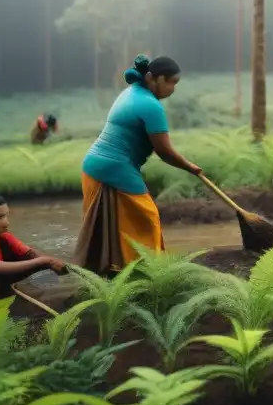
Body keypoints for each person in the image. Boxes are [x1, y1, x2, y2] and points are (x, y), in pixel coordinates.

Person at [75, 54, 201, 273]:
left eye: (175, 83)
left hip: (93, 168)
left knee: (113, 225)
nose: (173, 88)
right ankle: (148, 274)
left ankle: (115, 274)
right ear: (153, 77)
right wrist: (189, 166)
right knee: (147, 219)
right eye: (170, 82)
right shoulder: (150, 105)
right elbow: (164, 151)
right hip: (117, 168)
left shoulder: (130, 93)